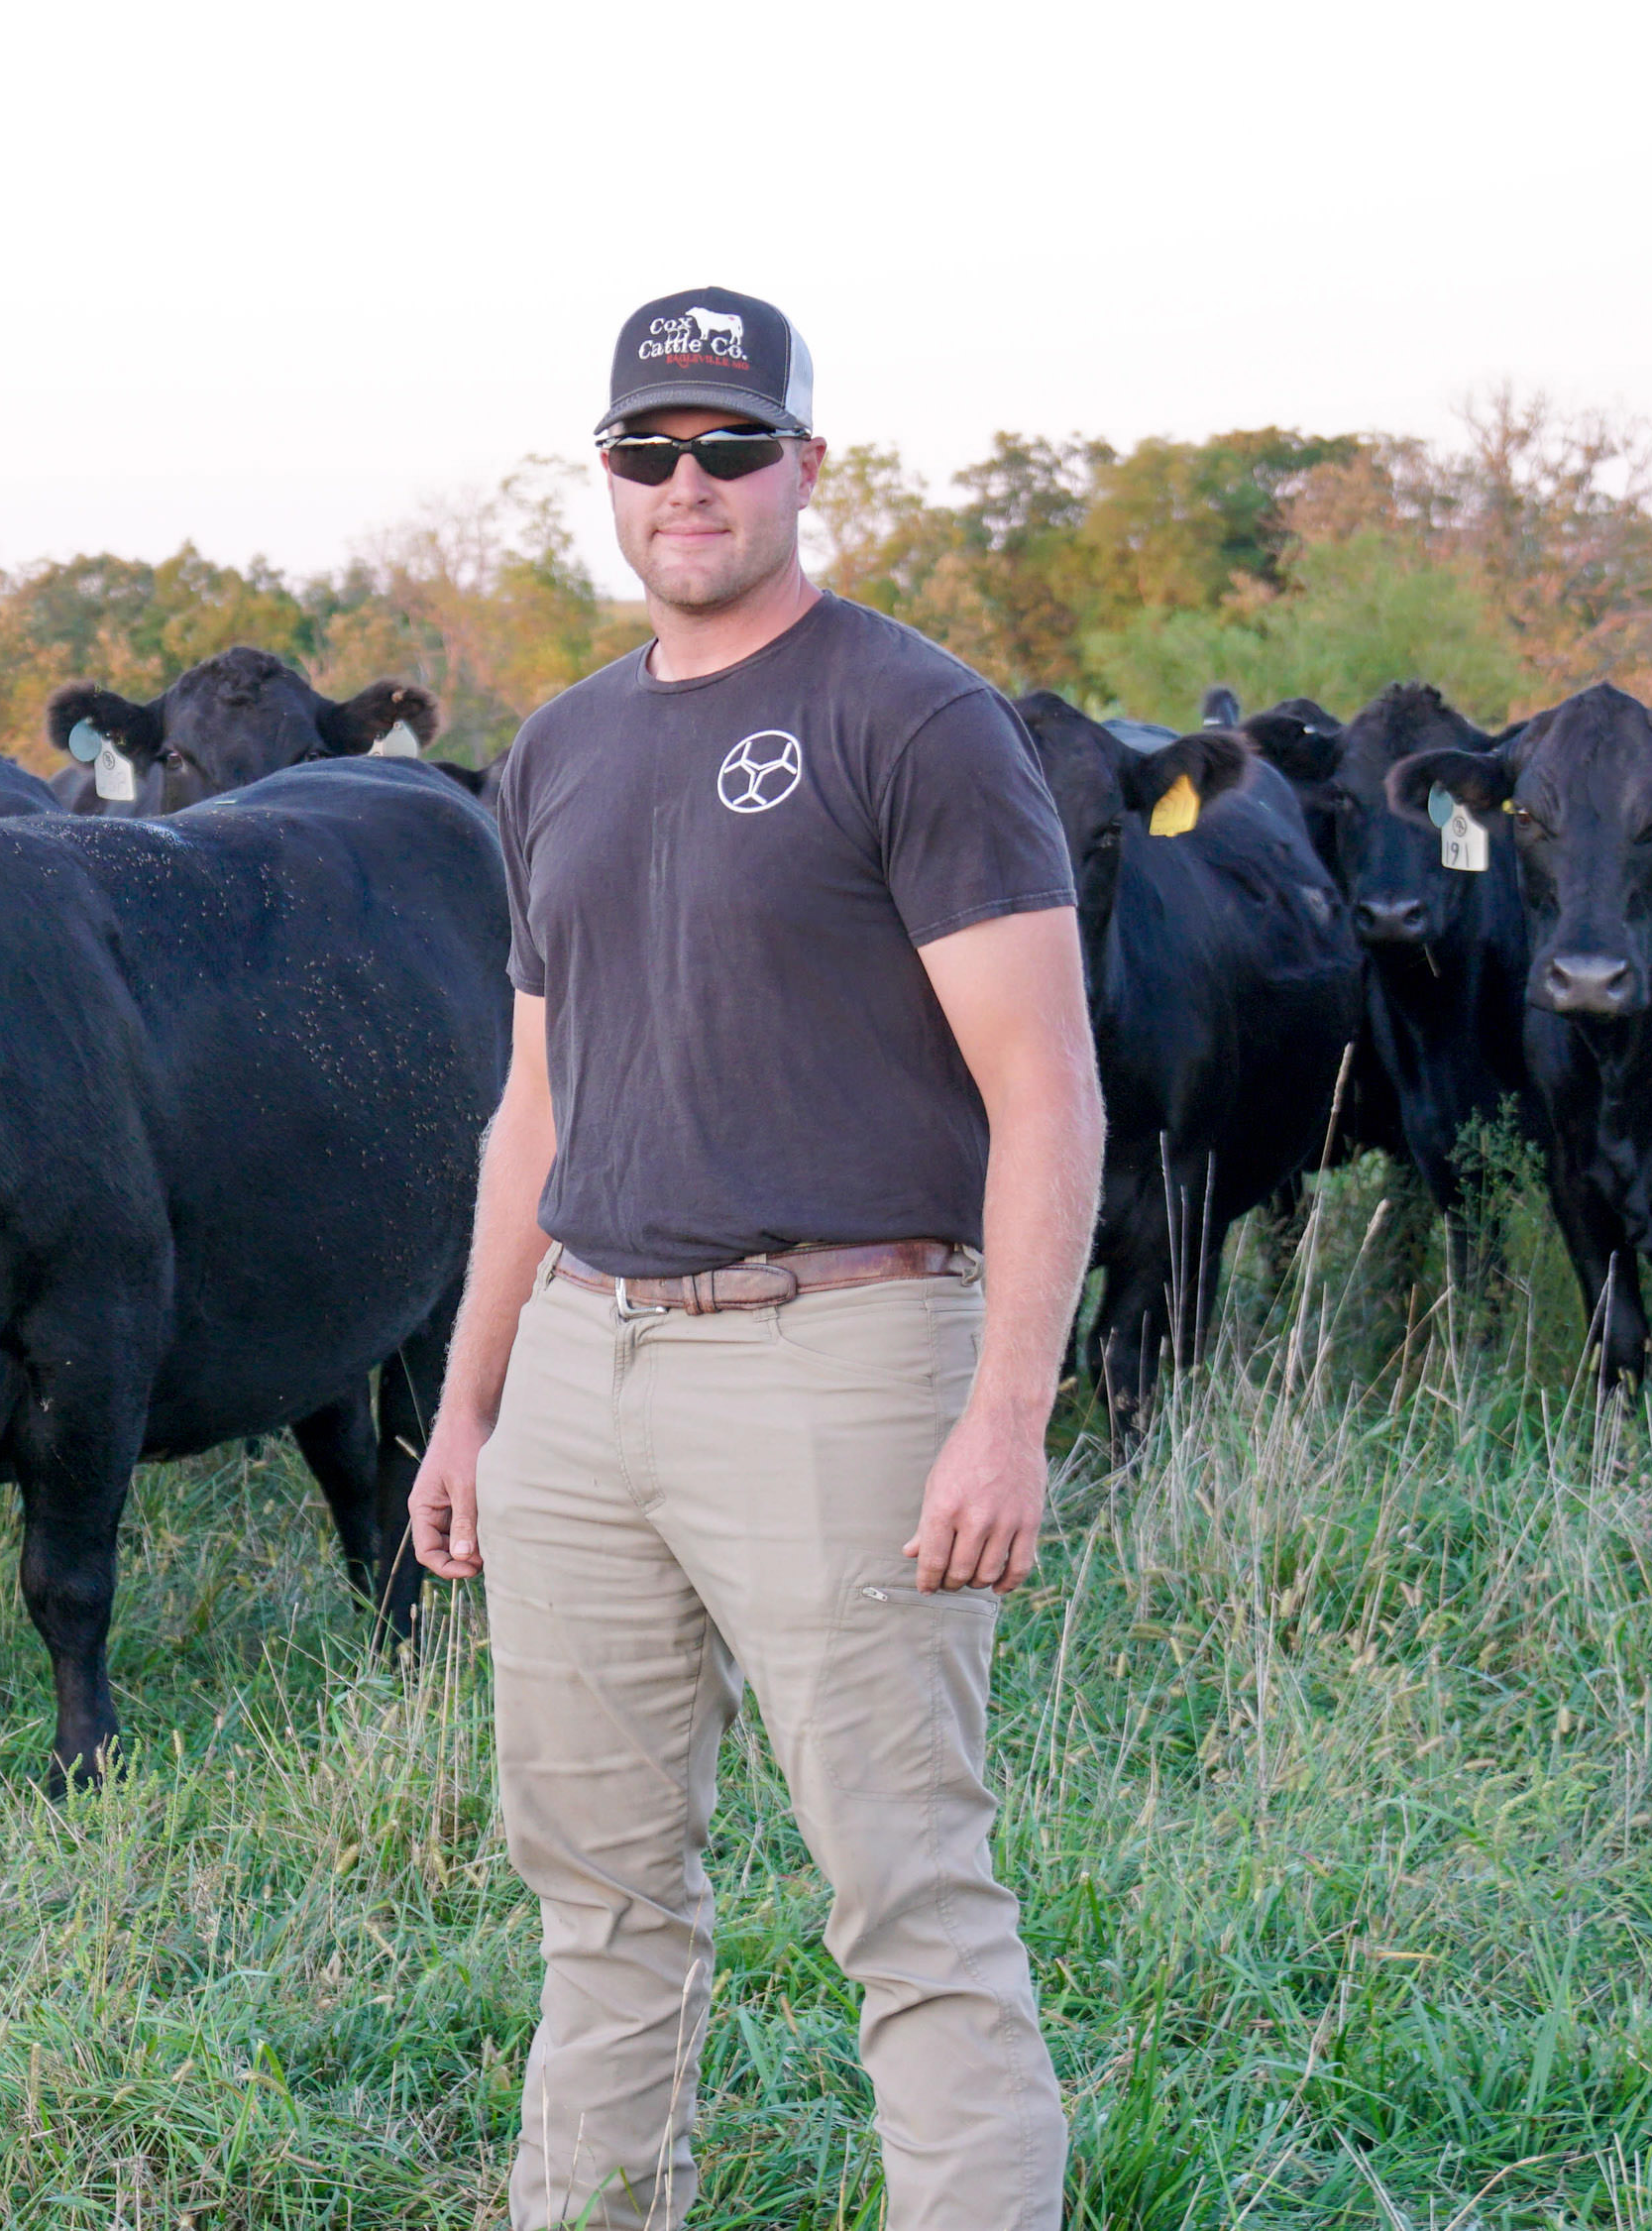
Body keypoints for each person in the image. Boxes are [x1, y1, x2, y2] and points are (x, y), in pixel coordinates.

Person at [409, 286, 1101, 2230]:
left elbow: (1045, 1093)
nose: (686, 483)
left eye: (730, 445)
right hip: (581, 1370)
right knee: (599, 1899)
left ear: (808, 464)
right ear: (605, 478)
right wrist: (468, 1407)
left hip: (846, 1351)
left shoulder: (908, 716)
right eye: (648, 449)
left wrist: (1003, 1411)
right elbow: (532, 1115)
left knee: (907, 1896)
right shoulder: (553, 750)